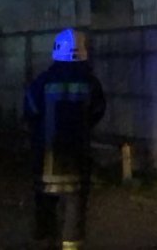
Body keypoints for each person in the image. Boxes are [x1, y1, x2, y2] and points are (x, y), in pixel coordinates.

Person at [23, 28, 106, 250]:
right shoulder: (91, 83)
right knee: (74, 210)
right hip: (78, 159)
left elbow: (30, 113)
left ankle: (45, 243)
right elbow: (97, 112)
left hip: (45, 159)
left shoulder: (41, 82)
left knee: (45, 208)